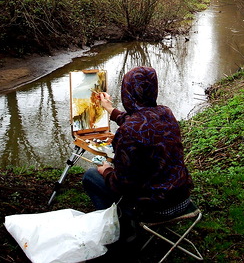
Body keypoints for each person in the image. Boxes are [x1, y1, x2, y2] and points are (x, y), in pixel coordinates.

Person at [82, 66, 193, 230]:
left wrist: (105, 170)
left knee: (91, 176)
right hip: (182, 199)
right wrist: (110, 110)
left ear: (127, 92)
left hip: (153, 209)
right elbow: (140, 120)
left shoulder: (128, 132)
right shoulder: (166, 113)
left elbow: (121, 185)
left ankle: (118, 230)